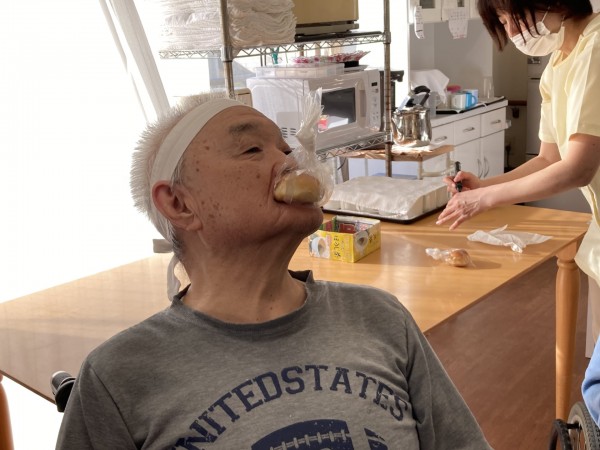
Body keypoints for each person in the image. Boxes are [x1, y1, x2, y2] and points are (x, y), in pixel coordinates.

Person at [55, 91, 491, 449]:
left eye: (285, 148)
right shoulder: (118, 376)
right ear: (178, 202)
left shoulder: (381, 319)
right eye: (251, 149)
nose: (291, 162)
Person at [435, 0, 600, 421]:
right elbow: (548, 159)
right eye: (502, 22)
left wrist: (485, 201)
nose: (510, 32)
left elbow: (578, 167)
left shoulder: (596, 47)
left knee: (596, 392)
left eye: (510, 17)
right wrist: (485, 185)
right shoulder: (558, 64)